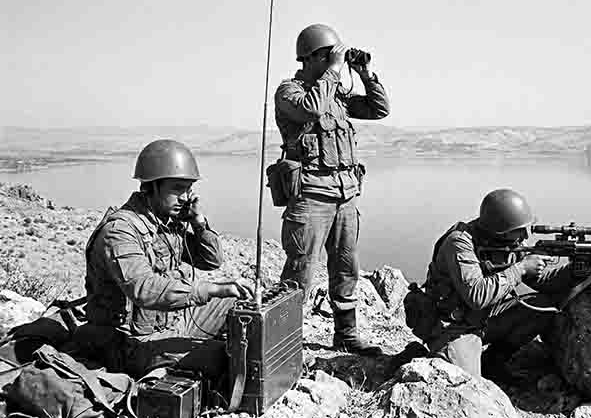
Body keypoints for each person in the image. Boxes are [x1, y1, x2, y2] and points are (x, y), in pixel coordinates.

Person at [77, 139, 253, 379]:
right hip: (128, 343)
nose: (185, 198)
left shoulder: (166, 224)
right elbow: (144, 289)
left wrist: (198, 224)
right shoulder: (120, 231)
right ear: (151, 186)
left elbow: (212, 260)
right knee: (224, 358)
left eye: (188, 189)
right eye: (177, 188)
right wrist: (211, 289)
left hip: (171, 324)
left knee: (246, 308)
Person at [273, 23, 390, 356]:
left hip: (344, 195)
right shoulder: (291, 92)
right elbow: (311, 109)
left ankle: (346, 335)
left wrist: (366, 74)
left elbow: (379, 110)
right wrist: (335, 71)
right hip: (310, 196)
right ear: (310, 58)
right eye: (328, 55)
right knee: (301, 269)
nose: (333, 61)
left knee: (346, 266)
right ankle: (284, 344)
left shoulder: (336, 93)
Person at [421, 188, 591, 380]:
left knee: (543, 306)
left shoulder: (508, 243)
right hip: (452, 326)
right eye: (519, 231)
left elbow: (544, 282)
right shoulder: (460, 243)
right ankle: (428, 354)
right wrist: (521, 268)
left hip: (486, 318)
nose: (525, 237)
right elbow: (477, 296)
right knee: (466, 383)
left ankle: (493, 363)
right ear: (501, 231)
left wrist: (578, 270)